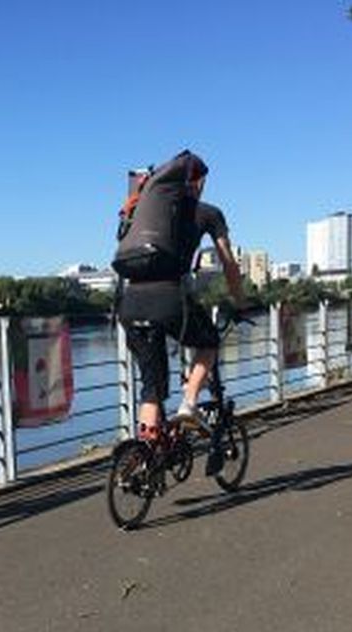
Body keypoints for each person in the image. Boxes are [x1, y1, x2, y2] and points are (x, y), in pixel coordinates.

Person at [117, 156, 245, 474]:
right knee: (209, 342)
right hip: (169, 298)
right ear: (196, 182)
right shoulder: (208, 213)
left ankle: (146, 456)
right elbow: (228, 263)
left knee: (151, 386)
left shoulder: (140, 215)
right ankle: (189, 403)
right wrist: (240, 301)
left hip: (130, 302)